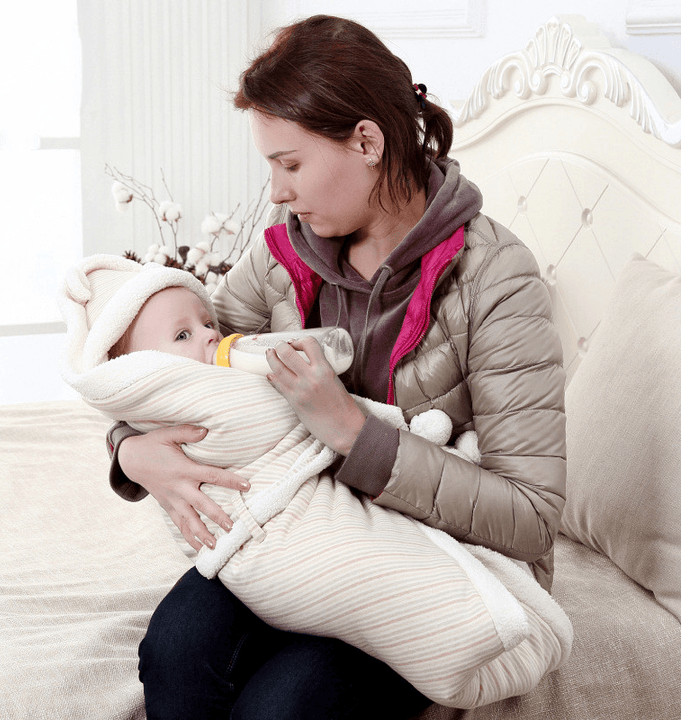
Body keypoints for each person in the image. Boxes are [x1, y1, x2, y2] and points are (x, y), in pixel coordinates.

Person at [107, 14, 567, 720]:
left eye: (289, 165)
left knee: (284, 705)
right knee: (175, 654)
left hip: (428, 566)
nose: (278, 192)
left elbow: (533, 518)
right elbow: (176, 370)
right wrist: (130, 451)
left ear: (367, 140)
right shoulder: (279, 258)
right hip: (300, 533)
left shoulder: (498, 281)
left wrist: (354, 432)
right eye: (271, 168)